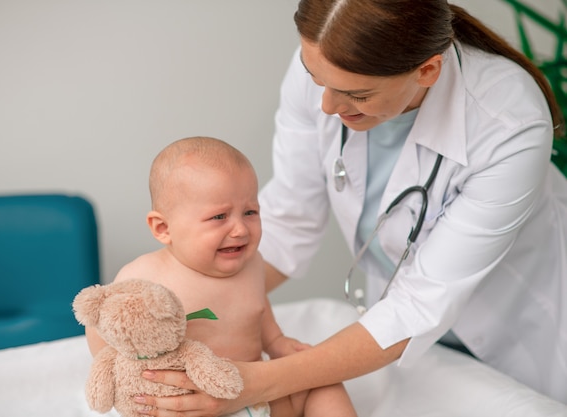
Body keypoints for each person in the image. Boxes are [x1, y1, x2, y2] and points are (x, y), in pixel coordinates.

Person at [130, 0, 567, 413]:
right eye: (317, 80)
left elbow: (420, 304)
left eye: (356, 95)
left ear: (428, 70)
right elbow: (289, 221)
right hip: (388, 327)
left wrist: (258, 380)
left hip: (515, 331)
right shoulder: (325, 69)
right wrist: (191, 305)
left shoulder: (509, 122)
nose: (326, 105)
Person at [85, 136, 359, 417]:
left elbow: (256, 308)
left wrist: (276, 341)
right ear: (163, 227)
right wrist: (124, 375)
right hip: (191, 405)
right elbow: (102, 325)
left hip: (258, 390)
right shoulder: (145, 277)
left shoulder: (252, 264)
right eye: (219, 217)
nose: (240, 229)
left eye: (250, 212)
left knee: (323, 385)